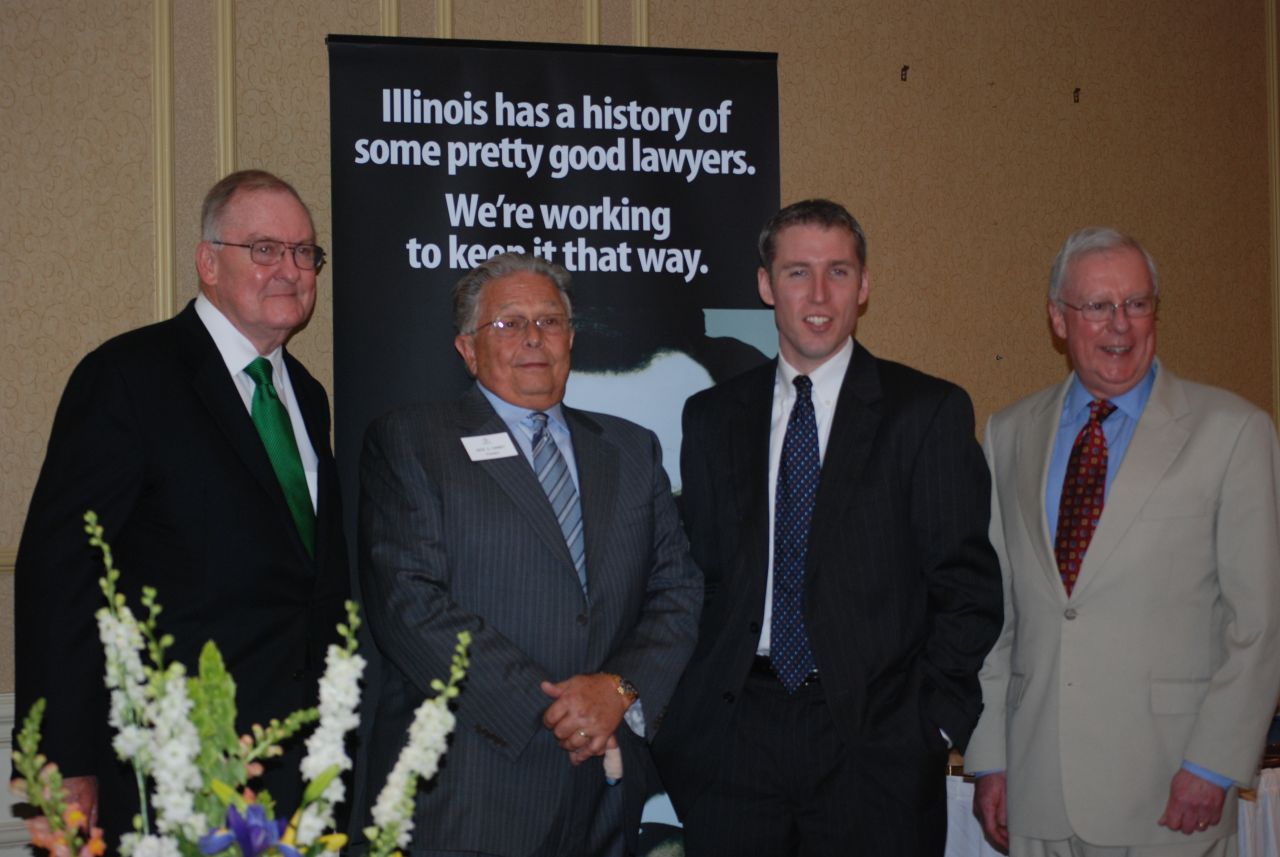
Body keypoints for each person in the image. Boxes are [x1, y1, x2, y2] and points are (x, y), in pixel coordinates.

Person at [651, 198, 1004, 856]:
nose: (818, 294)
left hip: (875, 748)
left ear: (864, 286)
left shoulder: (925, 412)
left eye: (838, 272)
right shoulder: (712, 417)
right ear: (765, 285)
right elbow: (697, 576)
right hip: (736, 741)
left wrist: (934, 727)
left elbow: (968, 588)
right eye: (796, 272)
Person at [13, 169, 351, 845]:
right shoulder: (129, 376)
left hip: (297, 766)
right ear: (208, 262)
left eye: (303, 252)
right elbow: (63, 574)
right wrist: (64, 762)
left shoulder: (306, 395)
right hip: (163, 769)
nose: (290, 269)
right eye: (264, 249)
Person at [355, 252, 702, 857]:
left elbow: (677, 590)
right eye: (508, 323)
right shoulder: (412, 441)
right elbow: (410, 603)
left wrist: (618, 691)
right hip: (474, 788)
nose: (533, 338)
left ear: (571, 339)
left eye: (549, 321)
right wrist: (560, 715)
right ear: (467, 348)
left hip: (604, 789)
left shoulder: (630, 448)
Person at [965, 227, 1280, 857]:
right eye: (1099, 306)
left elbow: (1259, 622)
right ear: (1059, 318)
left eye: (1137, 304)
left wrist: (1215, 764)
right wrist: (990, 757)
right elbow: (993, 617)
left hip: (1170, 792)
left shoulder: (1234, 432)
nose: (1121, 325)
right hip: (1038, 790)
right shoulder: (1008, 434)